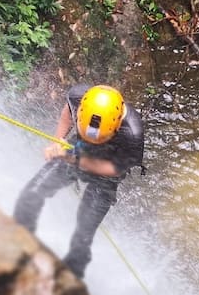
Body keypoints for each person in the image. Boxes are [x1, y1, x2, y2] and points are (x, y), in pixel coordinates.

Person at [13, 84, 144, 278]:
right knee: (30, 196)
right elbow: (68, 110)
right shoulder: (77, 97)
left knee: (83, 232)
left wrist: (74, 159)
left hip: (106, 170)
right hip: (76, 150)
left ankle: (69, 279)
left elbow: (115, 169)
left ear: (116, 126)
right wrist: (57, 142)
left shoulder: (132, 134)